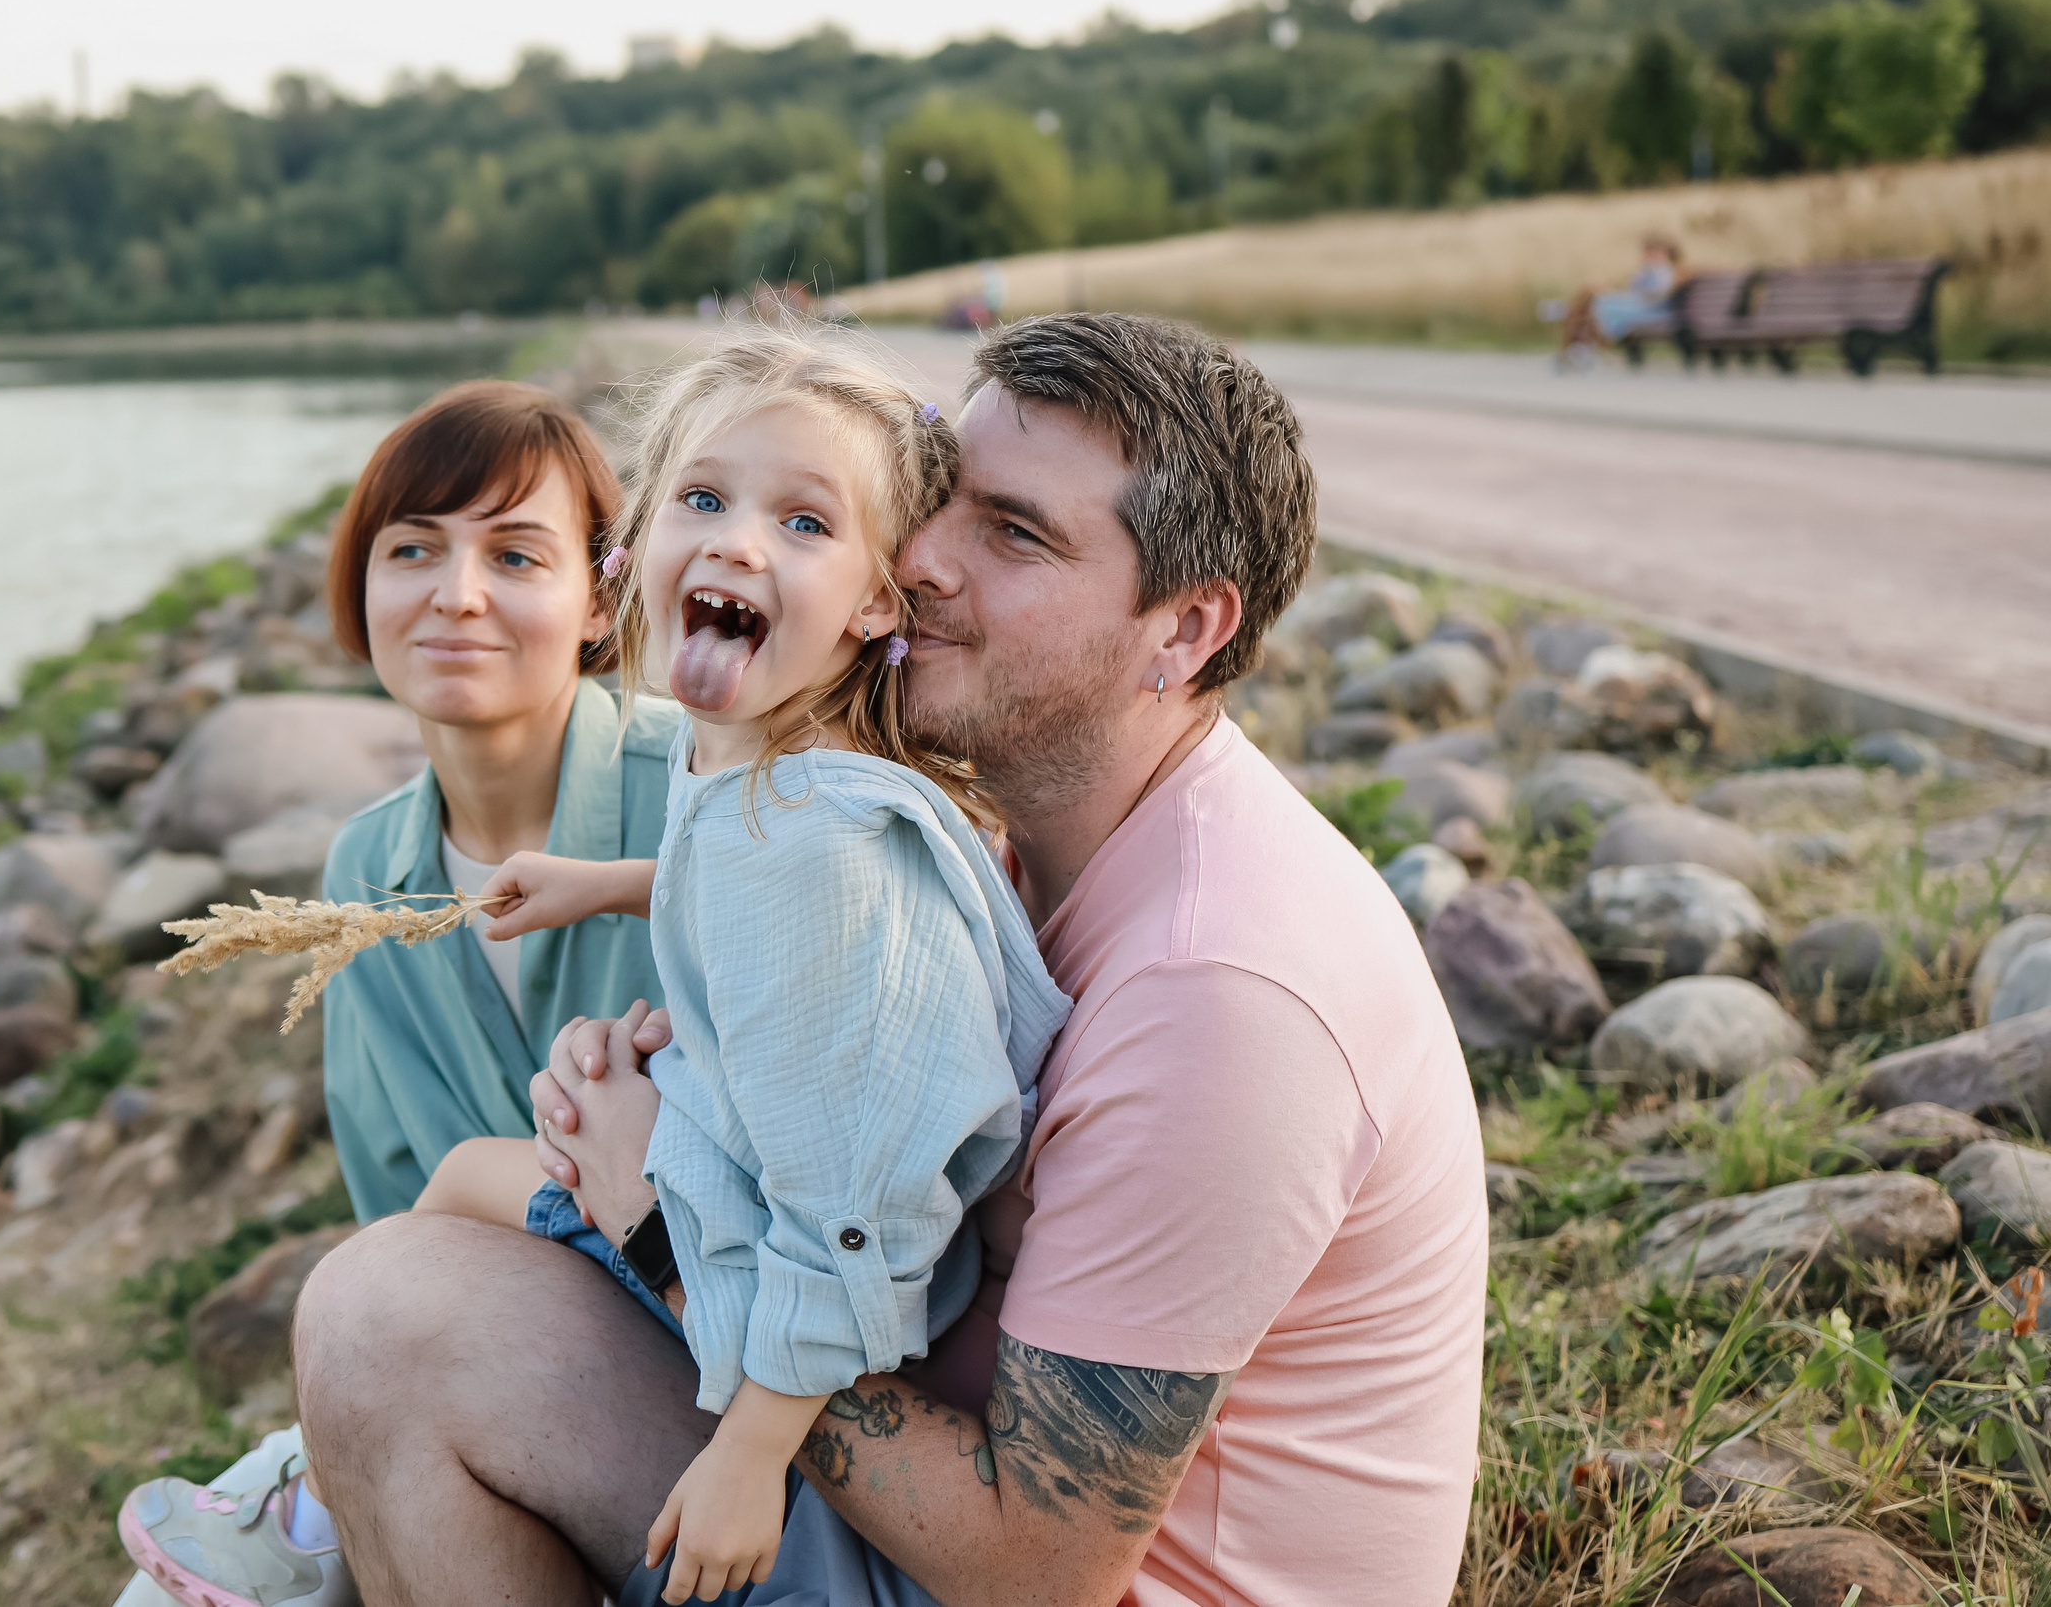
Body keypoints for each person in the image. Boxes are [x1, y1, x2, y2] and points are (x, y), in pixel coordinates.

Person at [288, 312, 1489, 1607]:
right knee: (437, 1253)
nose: (923, 561)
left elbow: (1038, 1566)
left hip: (1013, 1566)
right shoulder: (1018, 829)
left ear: (1184, 630)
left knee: (388, 1322)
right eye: (940, 500)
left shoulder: (1226, 998)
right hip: (903, 1451)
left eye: (1013, 533)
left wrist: (658, 1223)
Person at [413, 328, 1071, 1604]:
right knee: (471, 1200)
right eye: (703, 500)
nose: (735, 542)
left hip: (791, 1286)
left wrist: (750, 1455)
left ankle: (320, 1494)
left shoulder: (823, 846)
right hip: (739, 1196)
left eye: (805, 524)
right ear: (638, 544)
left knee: (457, 1193)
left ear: (879, 601)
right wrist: (604, 887)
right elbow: (750, 900)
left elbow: (858, 1211)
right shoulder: (749, 763)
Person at [111, 378, 681, 1607]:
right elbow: (399, 1219)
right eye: (411, 550)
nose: (455, 594)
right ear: (360, 591)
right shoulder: (365, 872)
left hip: (725, 1388)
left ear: (599, 597)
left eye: (515, 554)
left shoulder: (700, 793)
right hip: (500, 1362)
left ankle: (303, 1490)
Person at [1558, 234, 1683, 367]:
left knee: (1596, 302)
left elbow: (1655, 296)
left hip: (1650, 311)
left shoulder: (1664, 272)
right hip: (1639, 306)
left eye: (1652, 251)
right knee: (1593, 297)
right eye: (1647, 251)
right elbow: (1633, 289)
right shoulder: (1649, 271)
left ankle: (1574, 335)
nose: (1648, 255)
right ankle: (1577, 341)